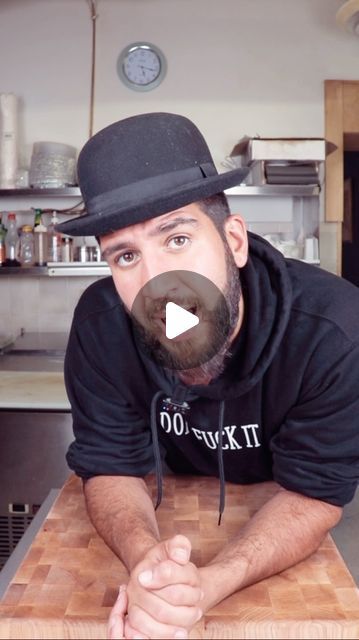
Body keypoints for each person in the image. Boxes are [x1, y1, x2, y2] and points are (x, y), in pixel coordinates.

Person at [57, 112, 359, 640]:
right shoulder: (101, 326)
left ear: (234, 241)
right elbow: (109, 465)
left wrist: (212, 583)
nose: (158, 284)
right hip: (164, 504)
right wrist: (149, 565)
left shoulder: (333, 331)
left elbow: (315, 492)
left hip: (283, 517)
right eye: (126, 256)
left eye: (176, 240)